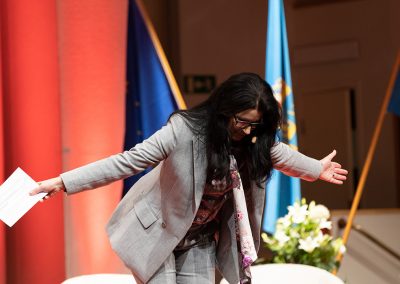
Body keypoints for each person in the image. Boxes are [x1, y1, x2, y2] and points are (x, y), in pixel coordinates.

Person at [30, 73, 347, 284]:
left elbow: (282, 154)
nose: (248, 130)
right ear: (224, 109)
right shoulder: (183, 131)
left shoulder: (254, 140)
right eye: (242, 121)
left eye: (256, 125)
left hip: (200, 238)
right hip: (159, 233)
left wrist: (316, 169)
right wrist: (62, 182)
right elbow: (125, 162)